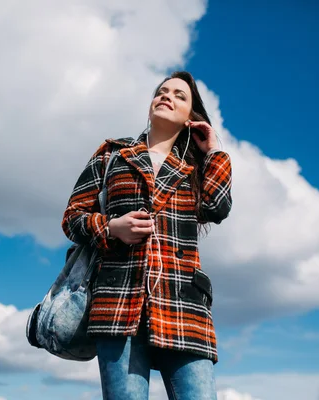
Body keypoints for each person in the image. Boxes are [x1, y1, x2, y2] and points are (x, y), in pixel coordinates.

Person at [61, 71, 233, 400]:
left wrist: (213, 150)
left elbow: (217, 206)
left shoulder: (195, 167)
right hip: (116, 301)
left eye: (180, 96)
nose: (167, 96)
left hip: (185, 304)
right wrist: (112, 227)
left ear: (189, 119)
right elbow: (72, 218)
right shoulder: (113, 153)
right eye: (162, 91)